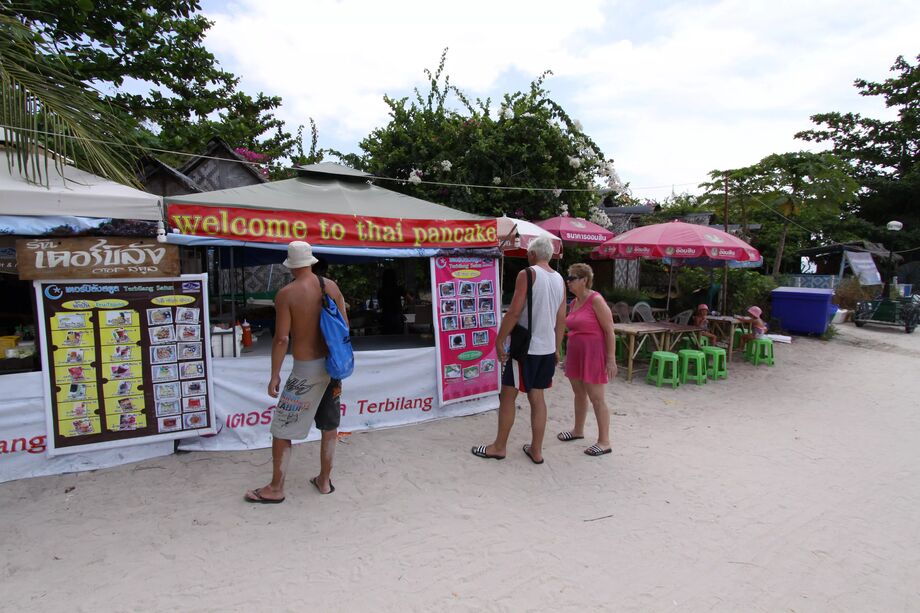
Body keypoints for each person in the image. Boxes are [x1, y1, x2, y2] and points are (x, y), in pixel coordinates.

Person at [245, 241, 348, 503]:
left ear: (290, 265)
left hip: (306, 370)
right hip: (332, 366)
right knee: (329, 425)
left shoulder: (287, 294)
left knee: (282, 429)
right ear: (311, 261)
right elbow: (344, 326)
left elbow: (281, 339)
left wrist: (275, 374)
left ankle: (276, 488)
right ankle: (324, 481)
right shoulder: (330, 286)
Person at [471, 235, 565, 464]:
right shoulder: (560, 279)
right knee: (538, 397)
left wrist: (499, 340)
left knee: (508, 395)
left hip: (525, 348)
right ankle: (536, 450)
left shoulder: (528, 274)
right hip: (546, 347)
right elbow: (561, 317)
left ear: (533, 254)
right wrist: (557, 346)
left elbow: (514, 312)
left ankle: (499, 447)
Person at [556, 263, 618, 456]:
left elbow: (609, 330)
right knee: (579, 393)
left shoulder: (596, 300)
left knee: (597, 398)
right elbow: (570, 328)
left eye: (572, 278)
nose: (568, 282)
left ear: (584, 280)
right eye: (568, 278)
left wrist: (611, 359)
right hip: (576, 354)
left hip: (593, 354)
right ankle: (578, 430)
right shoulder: (574, 302)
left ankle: (604, 441)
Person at [378, 268, 406, 335]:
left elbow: (380, 305)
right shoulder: (398, 288)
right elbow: (410, 299)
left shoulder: (381, 290)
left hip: (386, 317)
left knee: (387, 339)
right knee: (398, 338)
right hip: (397, 316)